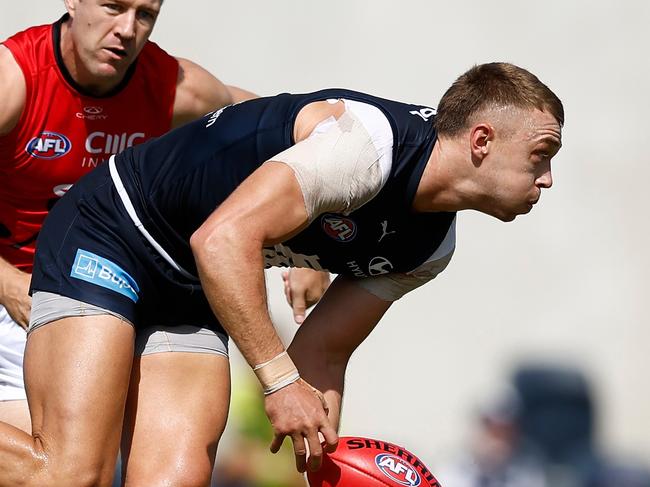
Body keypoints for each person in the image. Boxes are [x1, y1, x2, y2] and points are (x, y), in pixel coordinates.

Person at [0, 61, 563, 486]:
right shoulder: (367, 147)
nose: (548, 179)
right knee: (72, 475)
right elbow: (221, 239)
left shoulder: (431, 247)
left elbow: (323, 352)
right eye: (542, 155)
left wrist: (325, 467)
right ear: (482, 141)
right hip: (114, 229)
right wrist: (280, 382)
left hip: (193, 282)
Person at [0, 0, 327, 482]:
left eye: (145, 15)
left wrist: (311, 236)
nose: (127, 30)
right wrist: (5, 283)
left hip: (127, 294)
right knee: (65, 474)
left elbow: (284, 131)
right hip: (20, 299)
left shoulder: (174, 85)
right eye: (113, 6)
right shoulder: (15, 79)